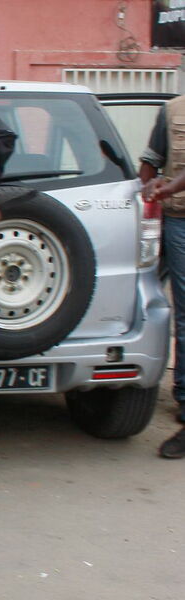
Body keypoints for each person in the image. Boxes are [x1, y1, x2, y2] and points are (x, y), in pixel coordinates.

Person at [141, 95, 185, 458]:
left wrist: (168, 187)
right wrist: (142, 196)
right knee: (143, 301)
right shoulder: (172, 109)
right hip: (169, 220)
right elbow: (151, 161)